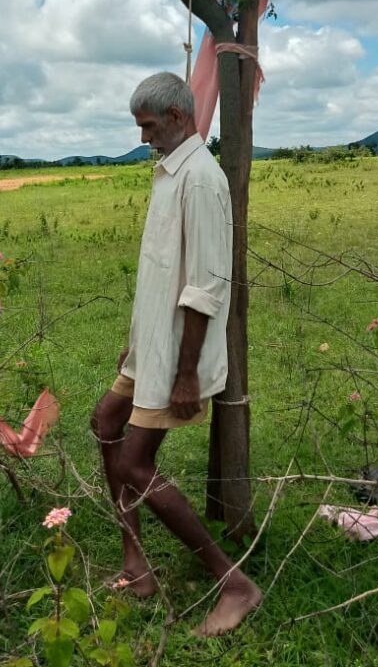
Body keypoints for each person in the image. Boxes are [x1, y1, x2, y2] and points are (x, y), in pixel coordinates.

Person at [91, 72, 262, 637]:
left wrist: (186, 373)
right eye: (139, 126)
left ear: (180, 118)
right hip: (155, 345)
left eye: (149, 126)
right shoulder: (171, 173)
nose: (143, 137)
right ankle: (137, 564)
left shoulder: (202, 181)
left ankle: (233, 582)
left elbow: (205, 287)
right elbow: (163, 272)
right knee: (105, 422)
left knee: (137, 465)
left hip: (178, 358)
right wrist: (138, 342)